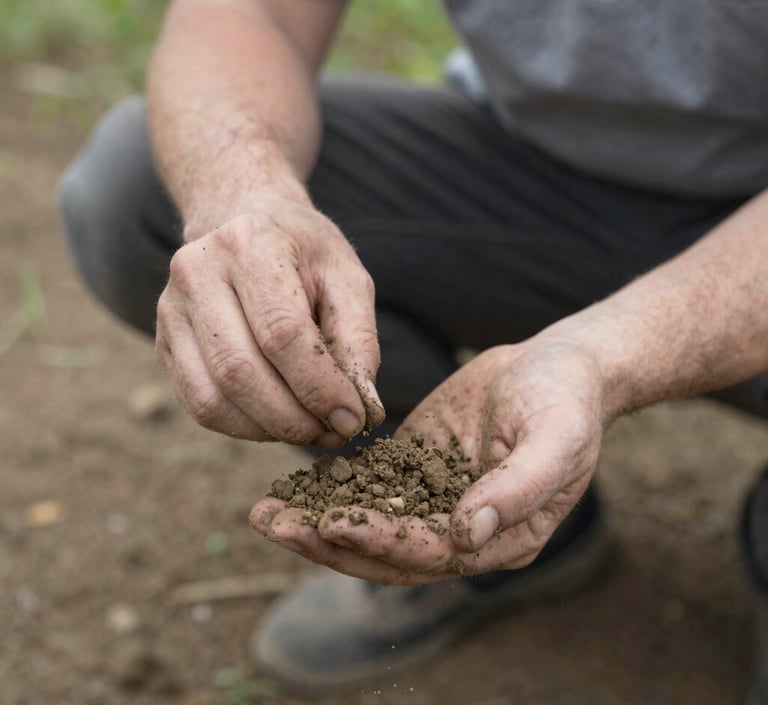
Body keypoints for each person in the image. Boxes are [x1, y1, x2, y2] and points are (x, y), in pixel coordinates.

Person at [58, 0, 768, 699]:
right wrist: (246, 199)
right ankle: (489, 527)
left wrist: (604, 353)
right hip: (535, 178)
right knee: (137, 196)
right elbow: (249, 14)